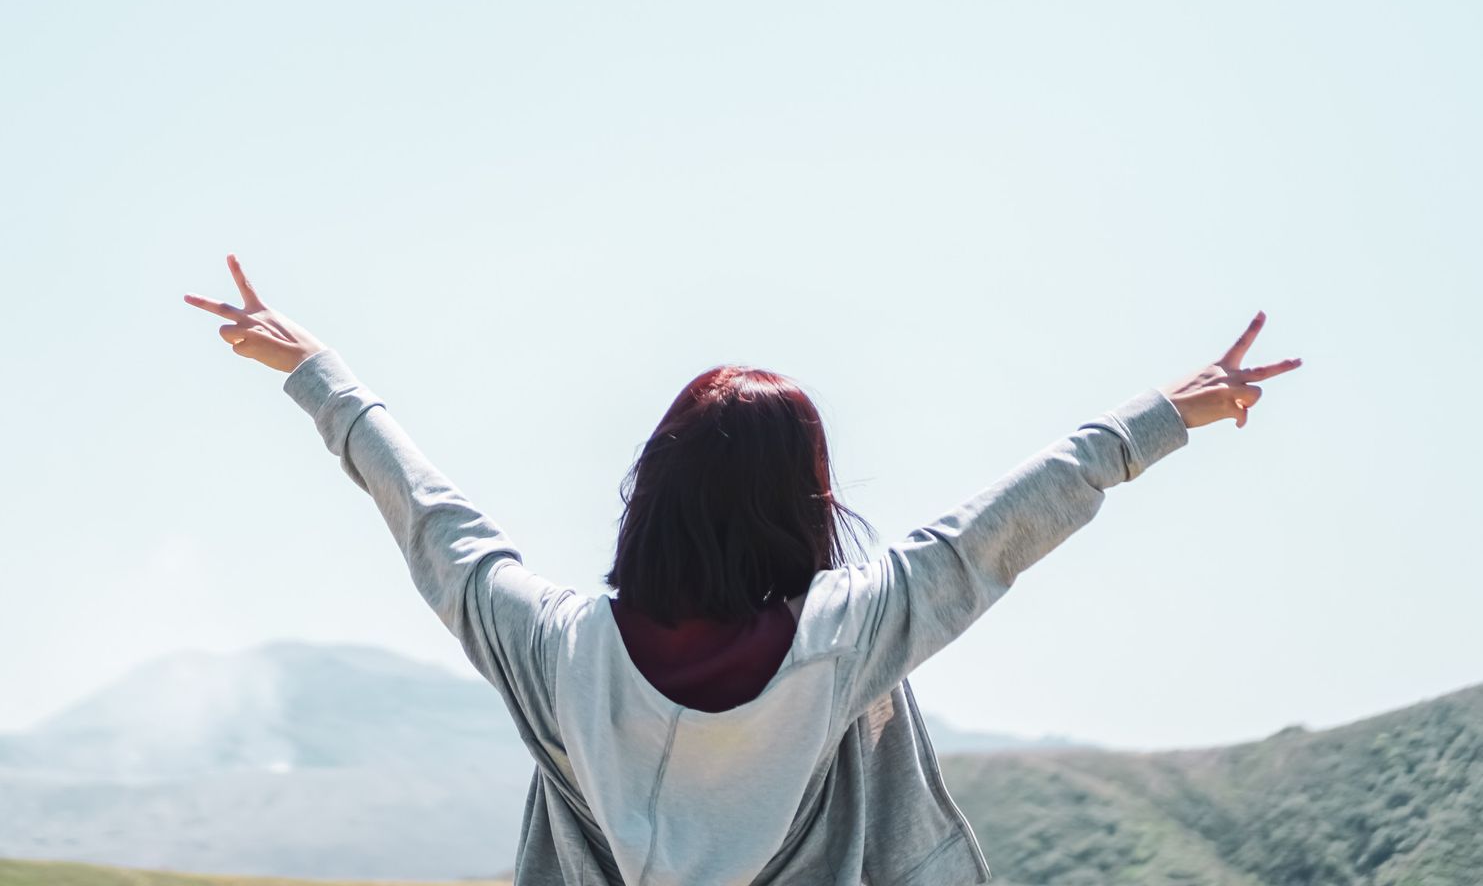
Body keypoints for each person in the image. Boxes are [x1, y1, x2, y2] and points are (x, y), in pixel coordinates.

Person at [184, 253, 1301, 886]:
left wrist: (317, 370)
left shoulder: (550, 644)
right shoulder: (848, 637)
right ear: (804, 500)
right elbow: (1000, 525)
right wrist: (1163, 415)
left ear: (654, 485)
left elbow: (431, 516)